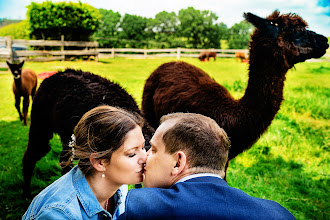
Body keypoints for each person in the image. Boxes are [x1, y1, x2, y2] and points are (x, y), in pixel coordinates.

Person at [119, 112, 296, 220]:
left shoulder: (143, 208)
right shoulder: (279, 213)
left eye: (154, 149)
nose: (146, 156)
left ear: (178, 163)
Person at [23, 105, 147, 219]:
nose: (145, 157)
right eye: (132, 154)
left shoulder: (119, 186)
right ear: (100, 162)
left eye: (143, 147)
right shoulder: (60, 214)